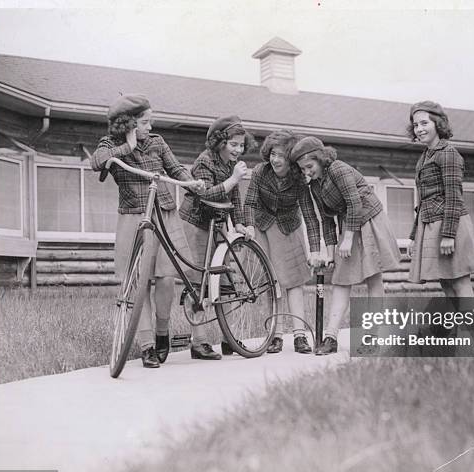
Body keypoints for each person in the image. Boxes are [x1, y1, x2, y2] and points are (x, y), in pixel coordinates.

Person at [90, 93, 217, 368]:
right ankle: (147, 345)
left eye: (151, 122)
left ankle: (162, 332)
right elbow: (97, 162)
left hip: (164, 214)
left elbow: (175, 168)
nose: (150, 127)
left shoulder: (157, 142)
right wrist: (128, 146)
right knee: (138, 283)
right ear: (130, 123)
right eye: (145, 122)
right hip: (133, 217)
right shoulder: (110, 144)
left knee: (165, 278)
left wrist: (191, 182)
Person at [290, 136, 401, 355]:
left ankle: (372, 338)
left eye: (310, 166)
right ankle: (331, 338)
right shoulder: (314, 185)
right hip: (348, 223)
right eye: (303, 169)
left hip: (369, 220)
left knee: (373, 278)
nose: (306, 172)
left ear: (321, 159)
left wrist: (348, 239)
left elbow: (354, 202)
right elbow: (325, 220)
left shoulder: (338, 169)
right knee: (341, 279)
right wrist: (331, 252)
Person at [179, 115, 255, 357]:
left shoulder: (232, 165)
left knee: (225, 283)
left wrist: (241, 223)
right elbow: (206, 197)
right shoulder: (204, 162)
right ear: (220, 142)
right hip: (197, 224)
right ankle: (198, 342)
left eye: (241, 145)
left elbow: (235, 197)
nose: (238, 150)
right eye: (233, 144)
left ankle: (229, 339)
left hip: (219, 225)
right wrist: (233, 179)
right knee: (199, 284)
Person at [243, 130, 322, 354]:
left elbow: (310, 216)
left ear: (291, 159)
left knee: (294, 282)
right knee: (271, 282)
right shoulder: (260, 171)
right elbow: (249, 203)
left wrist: (315, 250)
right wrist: (249, 224)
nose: (275, 160)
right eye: (273, 154)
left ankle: (299, 336)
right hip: (263, 226)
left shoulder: (300, 179)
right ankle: (274, 335)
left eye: (281, 156)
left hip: (289, 228)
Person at [406, 100, 474, 299]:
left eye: (424, 123)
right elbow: (423, 201)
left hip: (450, 225)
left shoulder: (448, 154)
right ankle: (457, 329)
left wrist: (448, 235)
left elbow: (454, 197)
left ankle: (469, 330)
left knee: (459, 281)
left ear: (437, 124)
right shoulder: (424, 157)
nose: (419, 129)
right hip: (431, 224)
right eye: (416, 125)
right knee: (446, 283)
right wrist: (414, 236)